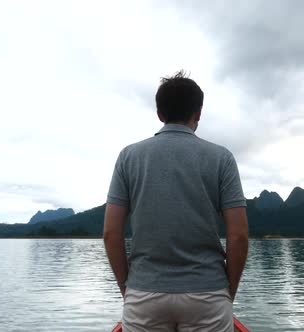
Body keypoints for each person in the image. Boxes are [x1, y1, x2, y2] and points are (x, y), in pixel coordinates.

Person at [103, 70, 249, 331]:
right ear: (199, 112)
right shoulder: (222, 158)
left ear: (160, 114)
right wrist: (227, 292)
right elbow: (238, 236)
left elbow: (111, 233)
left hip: (144, 295)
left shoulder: (128, 157)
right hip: (208, 294)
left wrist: (128, 289)